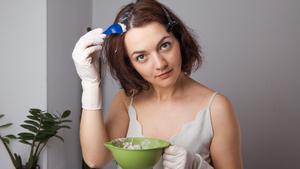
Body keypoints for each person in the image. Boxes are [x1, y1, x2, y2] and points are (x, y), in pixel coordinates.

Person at [72, 0, 243, 168]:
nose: (160, 64)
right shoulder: (126, 101)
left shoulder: (217, 108)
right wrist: (90, 84)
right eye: (141, 56)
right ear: (129, 63)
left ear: (179, 39)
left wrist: (198, 166)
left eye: (165, 45)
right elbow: (95, 160)